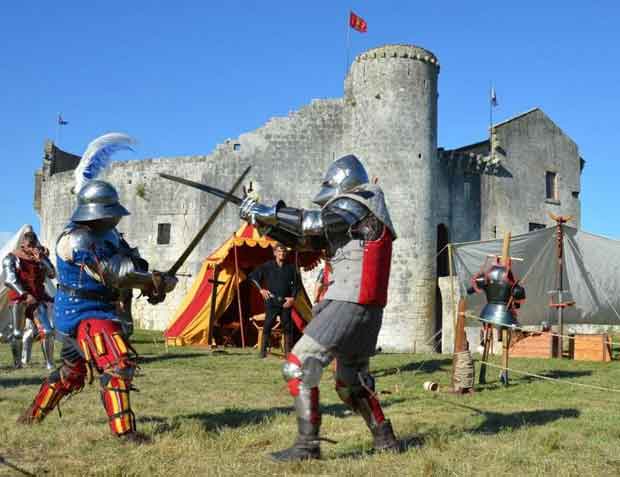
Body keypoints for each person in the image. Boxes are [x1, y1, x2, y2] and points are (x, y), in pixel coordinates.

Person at [240, 154, 399, 461]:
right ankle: (385, 438)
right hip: (362, 306)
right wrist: (263, 224)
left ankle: (307, 446)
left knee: (299, 365)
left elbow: (311, 223)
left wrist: (266, 210)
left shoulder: (358, 202)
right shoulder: (358, 218)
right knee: (350, 384)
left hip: (349, 302)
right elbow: (305, 241)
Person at [18, 180, 177, 440]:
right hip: (82, 312)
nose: (115, 216)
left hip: (100, 309)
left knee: (72, 373)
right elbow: (115, 273)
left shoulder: (111, 235)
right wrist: (151, 280)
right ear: (97, 212)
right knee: (118, 365)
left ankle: (31, 417)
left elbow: (132, 263)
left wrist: (155, 281)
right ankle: (125, 433)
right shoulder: (77, 239)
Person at [2, 225, 56, 369]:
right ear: (23, 244)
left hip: (37, 298)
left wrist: (42, 261)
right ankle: (17, 364)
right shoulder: (12, 257)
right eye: (29, 244)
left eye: (34, 244)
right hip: (19, 299)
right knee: (18, 333)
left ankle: (50, 364)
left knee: (48, 331)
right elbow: (10, 280)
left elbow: (52, 274)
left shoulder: (40, 257)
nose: (32, 247)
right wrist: (25, 294)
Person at [248, 243, 299, 357]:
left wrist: (292, 298)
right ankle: (263, 352)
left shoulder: (291, 268)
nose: (282, 253)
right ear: (275, 253)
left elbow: (297, 285)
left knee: (287, 327)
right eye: (279, 251)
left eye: (284, 251)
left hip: (286, 302)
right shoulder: (268, 266)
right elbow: (253, 276)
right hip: (272, 301)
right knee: (267, 325)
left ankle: (287, 353)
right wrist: (261, 290)